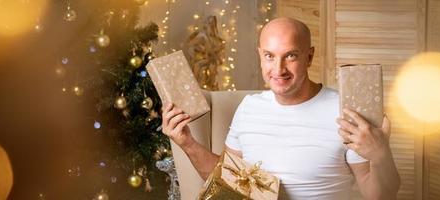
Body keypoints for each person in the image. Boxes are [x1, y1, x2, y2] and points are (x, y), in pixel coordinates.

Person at [161, 17, 400, 199]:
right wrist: (187, 143)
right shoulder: (249, 108)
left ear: (309, 57)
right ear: (260, 56)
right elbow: (229, 180)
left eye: (291, 56)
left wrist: (381, 155)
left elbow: (379, 195)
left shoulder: (342, 111)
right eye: (269, 56)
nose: (279, 69)